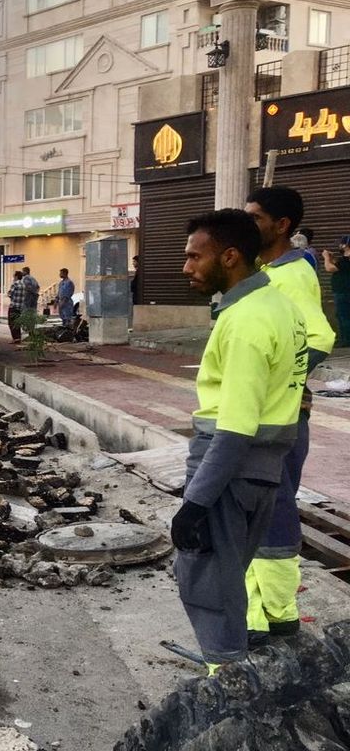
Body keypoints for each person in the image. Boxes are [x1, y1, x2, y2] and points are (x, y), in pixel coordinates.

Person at [173, 209, 306, 673]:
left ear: (229, 257)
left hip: (229, 467)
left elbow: (234, 428)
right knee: (228, 574)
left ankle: (226, 683)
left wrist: (195, 503)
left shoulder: (246, 321)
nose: (186, 266)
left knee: (206, 577)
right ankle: (232, 670)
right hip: (264, 469)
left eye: (195, 257)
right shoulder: (279, 305)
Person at [244, 187, 336, 647]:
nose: (248, 225)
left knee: (272, 509)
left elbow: (320, 335)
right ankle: (263, 614)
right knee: (260, 509)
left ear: (282, 226)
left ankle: (274, 615)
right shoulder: (268, 271)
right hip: (267, 415)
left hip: (278, 418)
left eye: (256, 218)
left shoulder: (292, 273)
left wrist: (283, 384)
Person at [326, 236, 350, 348]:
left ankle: (346, 339)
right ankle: (343, 338)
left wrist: (326, 258)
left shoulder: (347, 259)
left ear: (346, 246)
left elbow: (329, 268)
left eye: (342, 244)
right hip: (343, 291)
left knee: (343, 315)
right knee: (341, 315)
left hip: (343, 291)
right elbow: (338, 266)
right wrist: (333, 258)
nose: (340, 246)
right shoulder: (344, 260)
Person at [7, 270, 32, 343]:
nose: (13, 277)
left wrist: (9, 294)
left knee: (11, 323)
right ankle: (18, 338)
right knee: (17, 323)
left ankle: (15, 338)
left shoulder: (15, 284)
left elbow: (10, 293)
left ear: (16, 276)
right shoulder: (23, 284)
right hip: (21, 306)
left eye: (14, 276)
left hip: (14, 306)